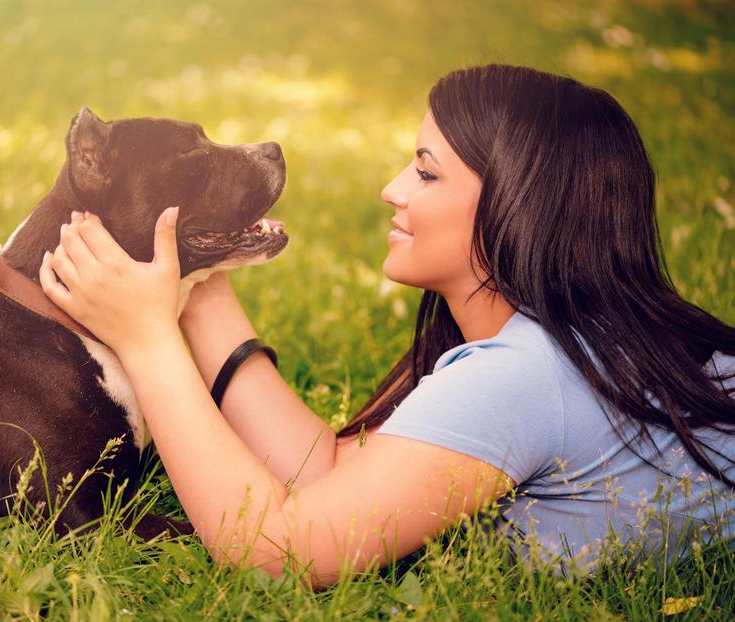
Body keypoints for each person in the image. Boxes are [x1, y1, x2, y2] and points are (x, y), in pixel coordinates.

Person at [39, 64, 735, 586]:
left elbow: (278, 551)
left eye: (426, 174)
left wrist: (148, 340)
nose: (392, 189)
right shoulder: (573, 340)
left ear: (519, 207)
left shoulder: (523, 375)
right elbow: (336, 476)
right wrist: (202, 289)